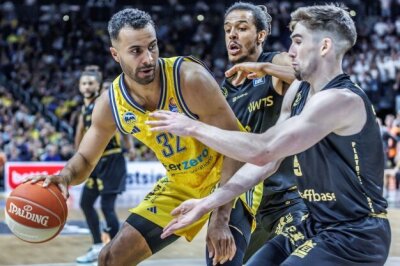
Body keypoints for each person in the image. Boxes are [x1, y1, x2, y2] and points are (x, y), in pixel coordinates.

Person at [148, 4, 391, 265]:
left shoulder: (340, 100)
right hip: (314, 225)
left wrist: (192, 126)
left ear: (324, 47)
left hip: (356, 233)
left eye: (298, 42)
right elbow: (265, 162)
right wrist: (208, 203)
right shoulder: (297, 89)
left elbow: (263, 148)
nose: (291, 51)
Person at [25, 8, 262, 266]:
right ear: (115, 55)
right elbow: (85, 157)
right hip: (182, 183)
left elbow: (236, 146)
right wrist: (65, 177)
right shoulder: (110, 103)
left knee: (222, 260)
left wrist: (220, 216)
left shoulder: (190, 78)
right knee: (110, 258)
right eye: (136, 51)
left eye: (153, 46)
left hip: (231, 177)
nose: (148, 58)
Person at [221, 2, 308, 263]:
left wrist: (264, 69)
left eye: (241, 28)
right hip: (245, 205)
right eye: (227, 30)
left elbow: (307, 77)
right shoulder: (224, 89)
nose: (232, 35)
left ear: (260, 35)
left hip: (287, 200)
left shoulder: (274, 61)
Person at [74, 66, 128, 263]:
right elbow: (80, 132)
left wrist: (128, 144)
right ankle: (97, 246)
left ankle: (116, 251)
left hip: (112, 159)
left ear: (98, 86)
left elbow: (120, 127)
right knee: (86, 203)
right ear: (79, 87)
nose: (87, 86)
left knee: (107, 207)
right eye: (84, 83)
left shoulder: (104, 102)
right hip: (95, 161)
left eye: (90, 83)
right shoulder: (84, 107)